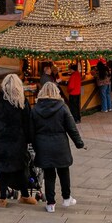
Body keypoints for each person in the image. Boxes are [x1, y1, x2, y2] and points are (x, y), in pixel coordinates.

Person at [31, 82, 85, 213]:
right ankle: (66, 198)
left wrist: (33, 144)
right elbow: (71, 128)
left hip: (43, 145)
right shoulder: (62, 107)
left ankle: (50, 203)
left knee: (49, 174)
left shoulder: (35, 109)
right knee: (63, 171)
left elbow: (31, 130)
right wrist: (79, 143)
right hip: (60, 144)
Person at [0, 74, 36, 207]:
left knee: (4, 169)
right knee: (20, 168)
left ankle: (3, 198)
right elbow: (28, 123)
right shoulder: (21, 102)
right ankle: (25, 195)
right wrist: (30, 139)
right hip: (17, 142)